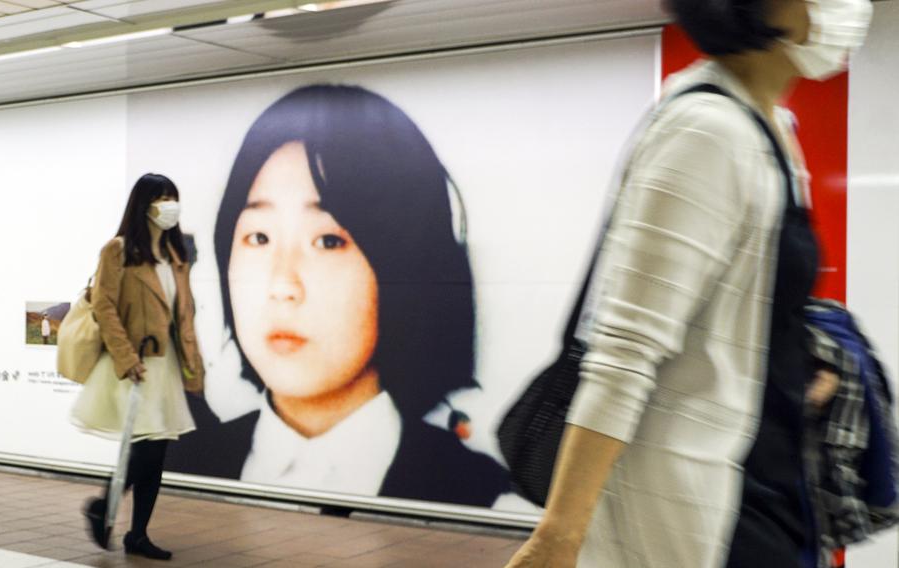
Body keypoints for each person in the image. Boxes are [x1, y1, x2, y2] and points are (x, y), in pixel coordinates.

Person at [504, 1, 872, 567]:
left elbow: (744, 316)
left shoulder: (771, 127)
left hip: (771, 473)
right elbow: (624, 351)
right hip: (702, 500)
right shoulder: (708, 132)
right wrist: (558, 538)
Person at [165, 84, 511, 507]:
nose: (283, 286)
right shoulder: (187, 468)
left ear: (404, 262)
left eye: (328, 241)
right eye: (259, 237)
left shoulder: (480, 499)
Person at [71, 173, 205, 561]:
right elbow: (104, 306)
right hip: (134, 363)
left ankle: (137, 533)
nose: (169, 206)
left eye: (173, 198)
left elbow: (185, 316)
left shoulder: (176, 256)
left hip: (165, 366)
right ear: (144, 204)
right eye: (162, 198)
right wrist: (126, 356)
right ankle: (102, 505)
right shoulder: (118, 251)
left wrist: (193, 364)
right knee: (145, 450)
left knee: (156, 452)